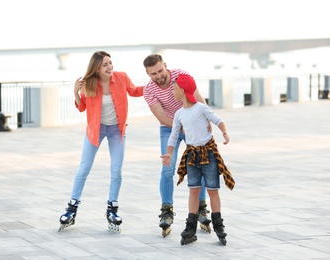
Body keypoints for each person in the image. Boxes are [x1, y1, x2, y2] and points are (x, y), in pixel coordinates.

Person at [58, 51, 144, 233]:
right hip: (95, 130)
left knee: (116, 170)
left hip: (116, 131)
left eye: (110, 63)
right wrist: (75, 92)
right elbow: (82, 107)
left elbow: (135, 91)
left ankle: (112, 208)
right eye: (105, 64)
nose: (109, 67)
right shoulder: (89, 84)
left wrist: (155, 85)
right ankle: (71, 208)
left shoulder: (121, 78)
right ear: (96, 67)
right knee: (84, 168)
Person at [161, 74, 235, 246]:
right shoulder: (179, 114)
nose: (172, 91)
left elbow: (218, 120)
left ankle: (218, 225)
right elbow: (173, 136)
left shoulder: (201, 108)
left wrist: (224, 132)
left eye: (174, 88)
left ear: (183, 90)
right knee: (193, 190)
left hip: (208, 154)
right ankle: (190, 228)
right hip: (192, 155)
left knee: (212, 190)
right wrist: (169, 153)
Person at [143, 54, 211, 237]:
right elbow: (162, 117)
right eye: (153, 74)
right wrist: (181, 128)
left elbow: (198, 99)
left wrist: (204, 121)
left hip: (192, 125)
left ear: (165, 66)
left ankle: (202, 208)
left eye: (160, 70)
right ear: (148, 74)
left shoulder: (180, 76)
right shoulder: (149, 90)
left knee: (200, 166)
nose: (158, 76)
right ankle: (166, 210)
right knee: (167, 168)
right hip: (169, 128)